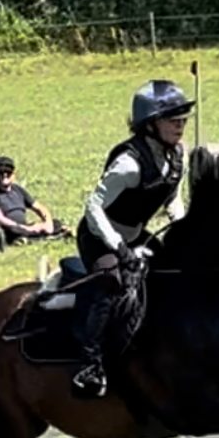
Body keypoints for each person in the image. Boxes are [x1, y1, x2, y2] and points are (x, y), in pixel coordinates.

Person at [68, 79, 195, 399]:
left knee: (174, 271)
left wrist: (182, 226)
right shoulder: (129, 164)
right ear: (150, 124)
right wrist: (118, 247)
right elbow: (93, 207)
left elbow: (172, 199)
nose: (180, 125)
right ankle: (89, 365)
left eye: (183, 119)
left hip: (136, 233)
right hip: (98, 236)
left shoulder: (178, 156)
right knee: (112, 282)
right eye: (172, 120)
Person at [0, 156, 71, 250]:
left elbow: (39, 208)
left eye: (8, 172)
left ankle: (31, 236)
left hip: (23, 227)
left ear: (14, 174)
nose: (5, 175)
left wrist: (48, 223)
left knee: (56, 223)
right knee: (7, 232)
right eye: (1, 172)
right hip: (8, 229)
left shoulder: (18, 190)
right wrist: (25, 228)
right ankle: (33, 236)